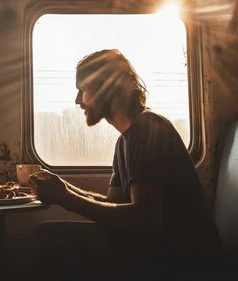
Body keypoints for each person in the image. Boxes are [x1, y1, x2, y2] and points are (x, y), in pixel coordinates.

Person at [29, 49, 221, 279]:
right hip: (158, 249)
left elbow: (145, 220)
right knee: (49, 235)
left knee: (48, 239)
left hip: (183, 259)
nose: (78, 100)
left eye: (83, 90)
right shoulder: (125, 141)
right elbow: (113, 205)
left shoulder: (147, 129)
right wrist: (64, 188)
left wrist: (65, 198)